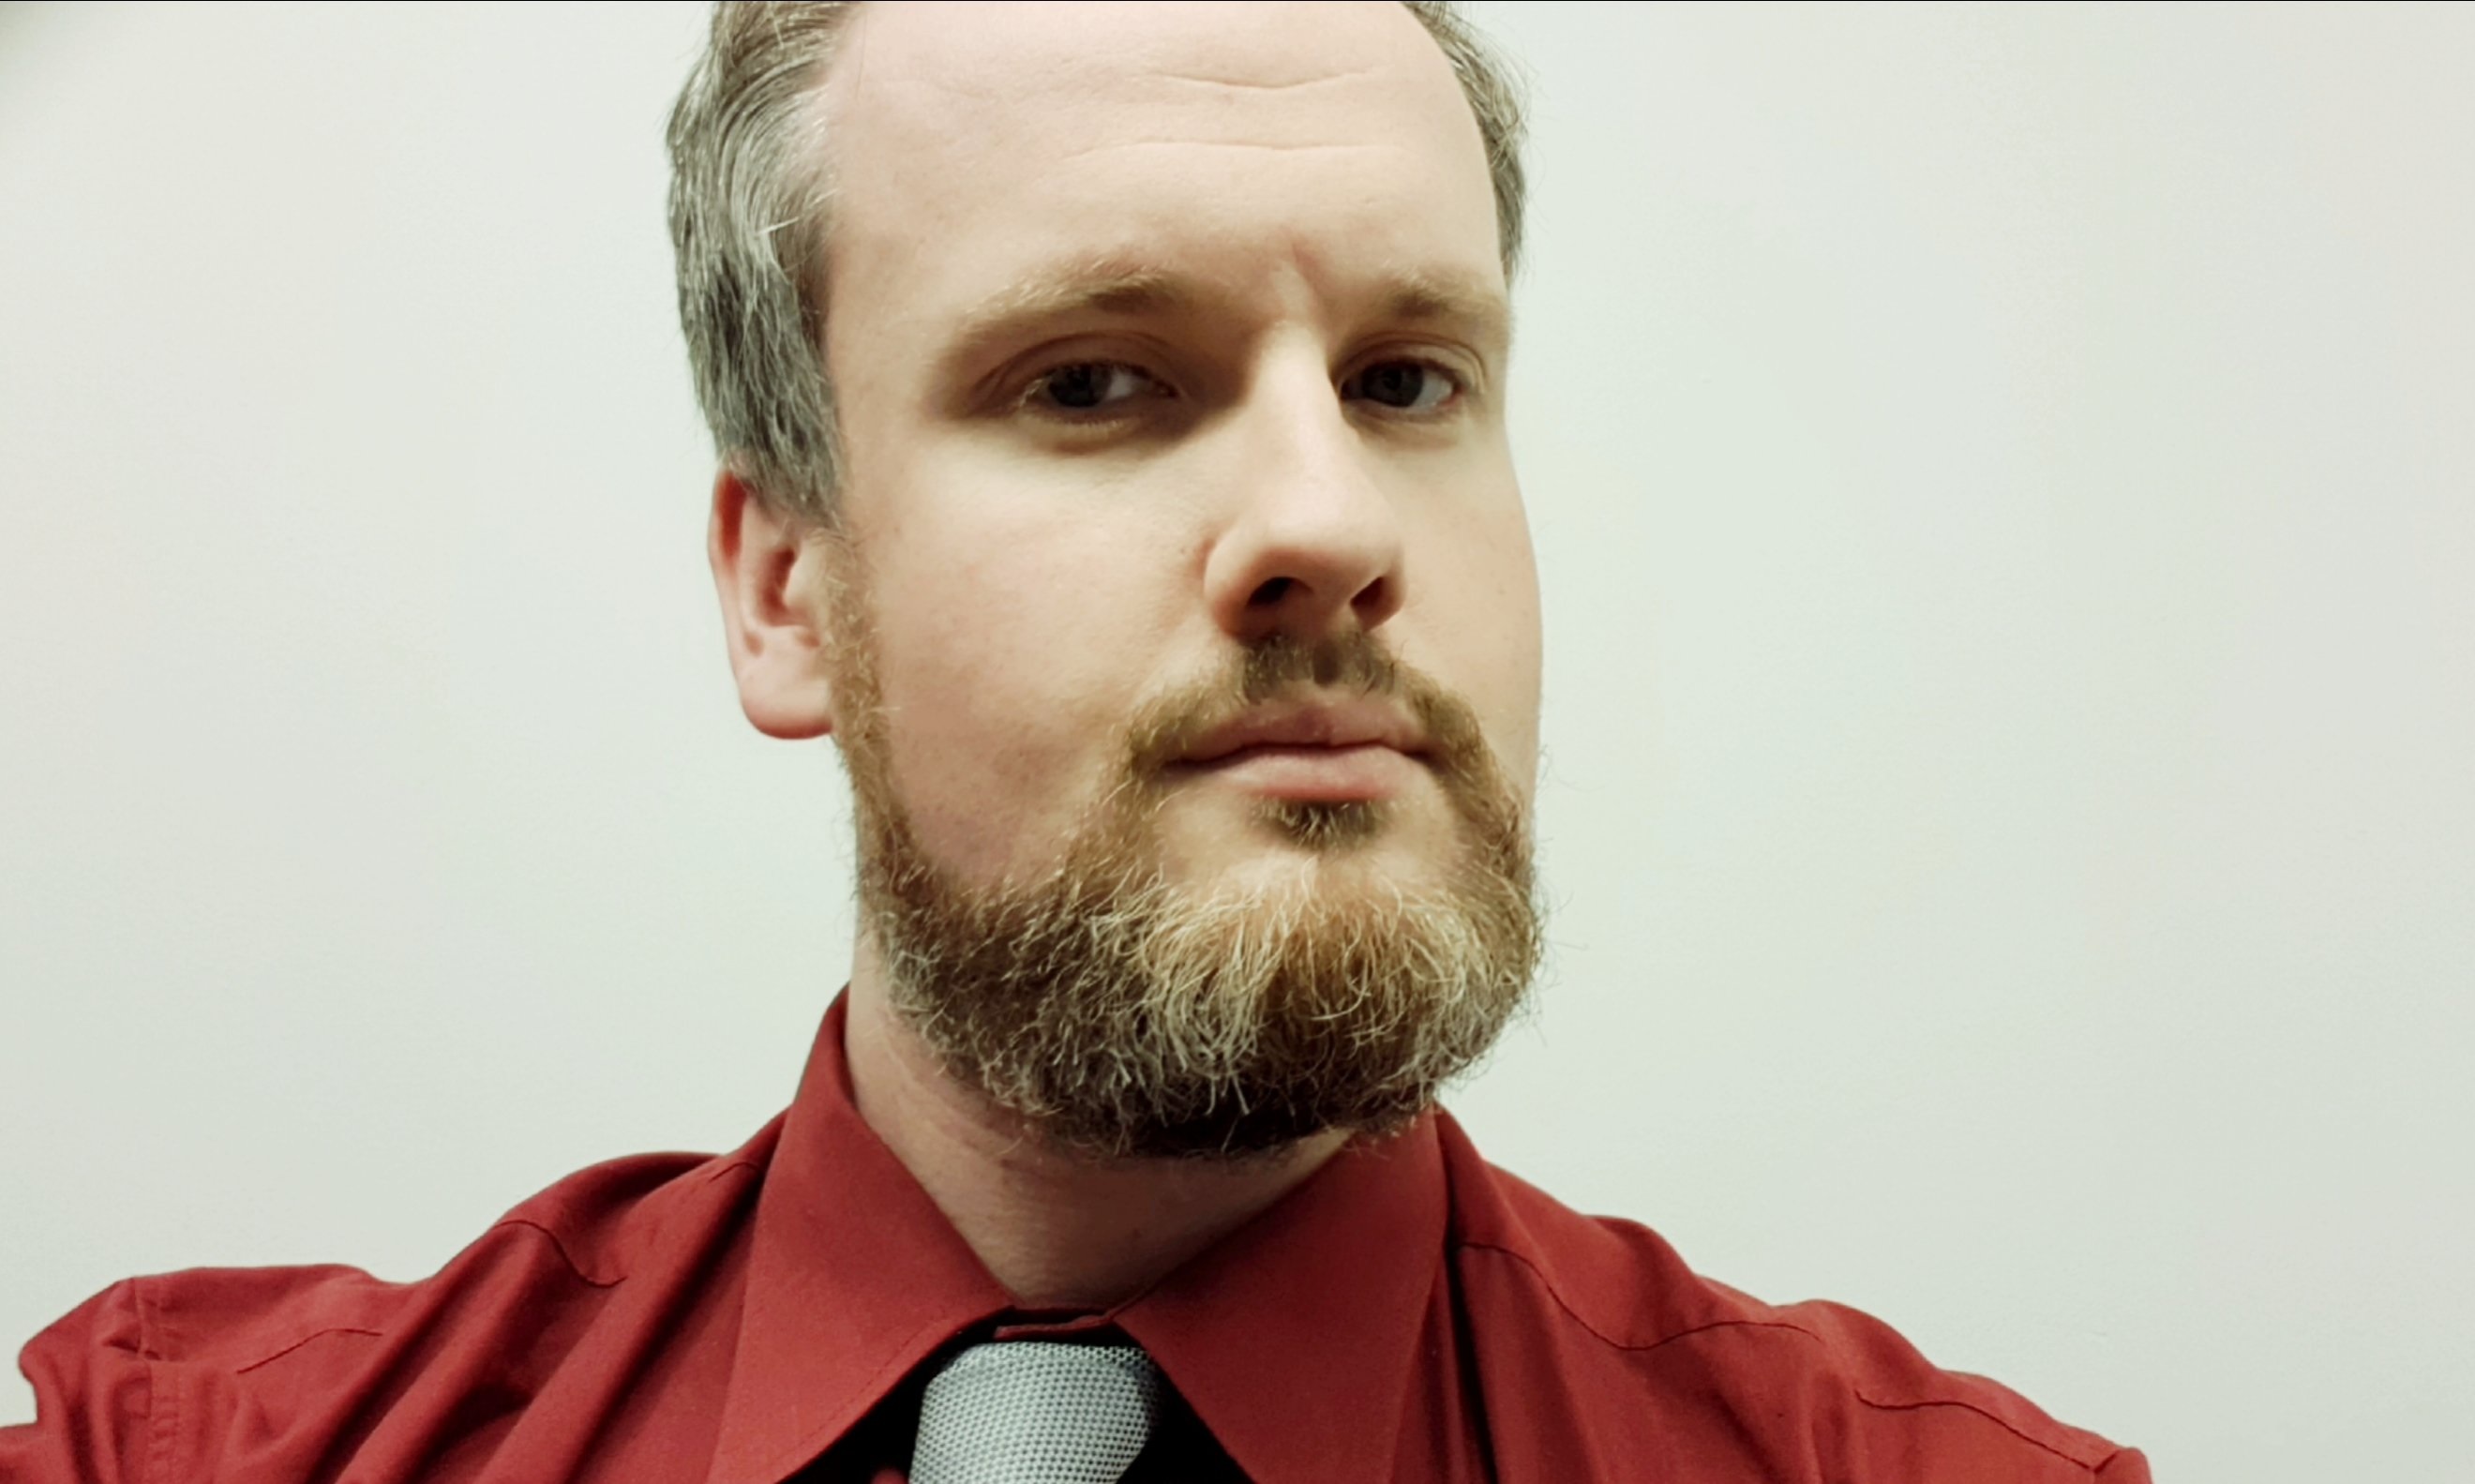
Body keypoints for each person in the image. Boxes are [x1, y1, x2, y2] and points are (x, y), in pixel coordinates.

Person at [1, 4, 2149, 1480]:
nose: (1331, 521)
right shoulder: (187, 1454)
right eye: (1097, 382)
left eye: (1406, 380)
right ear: (787, 589)